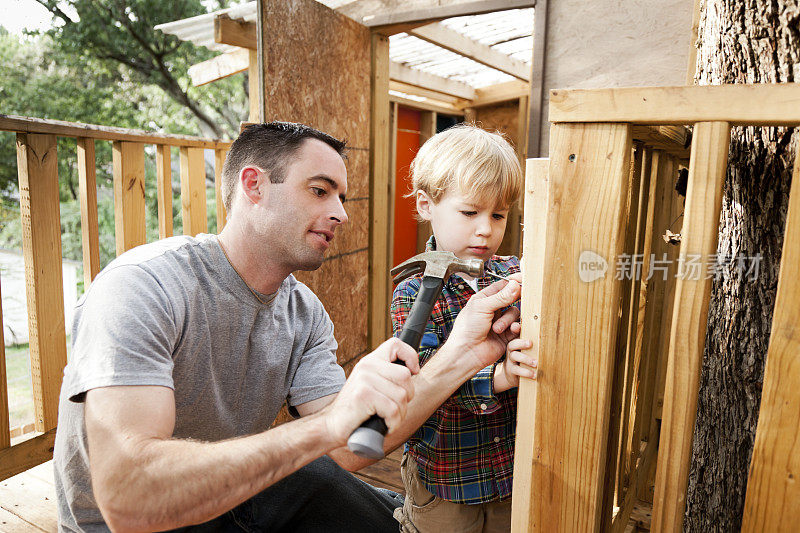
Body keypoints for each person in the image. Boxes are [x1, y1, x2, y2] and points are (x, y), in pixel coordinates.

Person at [53, 121, 523, 533]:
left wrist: (463, 355)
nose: (342, 212)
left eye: (341, 195)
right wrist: (330, 426)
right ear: (254, 186)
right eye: (320, 191)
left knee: (368, 503)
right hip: (140, 528)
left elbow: (354, 446)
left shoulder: (305, 313)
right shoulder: (143, 287)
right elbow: (130, 501)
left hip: (241, 496)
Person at [391, 124, 536, 533]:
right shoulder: (412, 294)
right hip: (447, 473)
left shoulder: (516, 276)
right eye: (470, 212)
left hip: (510, 468)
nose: (486, 228)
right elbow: (425, 374)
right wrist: (502, 374)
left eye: (499, 215)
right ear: (425, 205)